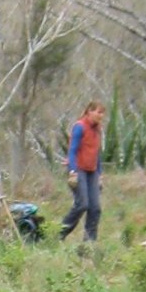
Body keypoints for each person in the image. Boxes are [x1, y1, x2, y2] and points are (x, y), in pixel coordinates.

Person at [58, 100, 104, 243]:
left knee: (95, 208)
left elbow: (97, 153)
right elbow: (72, 150)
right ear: (89, 111)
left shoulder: (97, 129)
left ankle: (89, 243)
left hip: (92, 172)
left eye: (103, 113)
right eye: (98, 111)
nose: (101, 115)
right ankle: (58, 234)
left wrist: (100, 174)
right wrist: (72, 171)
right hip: (79, 170)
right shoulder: (79, 127)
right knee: (82, 204)